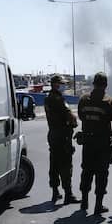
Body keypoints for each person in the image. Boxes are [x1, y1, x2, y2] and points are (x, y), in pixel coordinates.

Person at [77, 71, 112, 214]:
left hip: (88, 142)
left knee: (87, 171)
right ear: (106, 85)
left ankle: (84, 202)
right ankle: (98, 205)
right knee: (102, 173)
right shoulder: (109, 102)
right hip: (103, 143)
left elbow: (81, 117)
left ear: (93, 83)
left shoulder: (83, 100)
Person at [44, 74, 79, 204]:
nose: (63, 86)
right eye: (62, 84)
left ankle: (55, 192)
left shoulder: (47, 98)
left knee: (54, 163)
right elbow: (70, 116)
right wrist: (74, 122)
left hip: (53, 134)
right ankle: (68, 194)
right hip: (63, 135)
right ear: (56, 84)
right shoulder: (59, 99)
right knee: (65, 164)